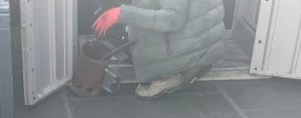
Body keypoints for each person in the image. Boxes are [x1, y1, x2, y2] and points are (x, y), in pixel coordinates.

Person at [94, 0, 227, 100]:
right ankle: (191, 66)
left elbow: (173, 19)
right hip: (201, 40)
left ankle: (172, 76)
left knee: (116, 34)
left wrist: (122, 14)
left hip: (186, 46)